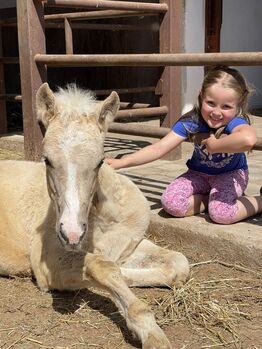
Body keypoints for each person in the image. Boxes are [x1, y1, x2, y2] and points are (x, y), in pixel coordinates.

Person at [106, 66, 262, 224]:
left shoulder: (235, 121)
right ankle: (212, 201)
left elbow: (248, 139)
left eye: (226, 106)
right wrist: (122, 162)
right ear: (201, 97)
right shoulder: (191, 121)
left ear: (238, 106)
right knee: (171, 203)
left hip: (231, 174)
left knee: (222, 215)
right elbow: (158, 148)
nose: (216, 112)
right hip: (197, 174)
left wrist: (215, 145)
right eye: (211, 103)